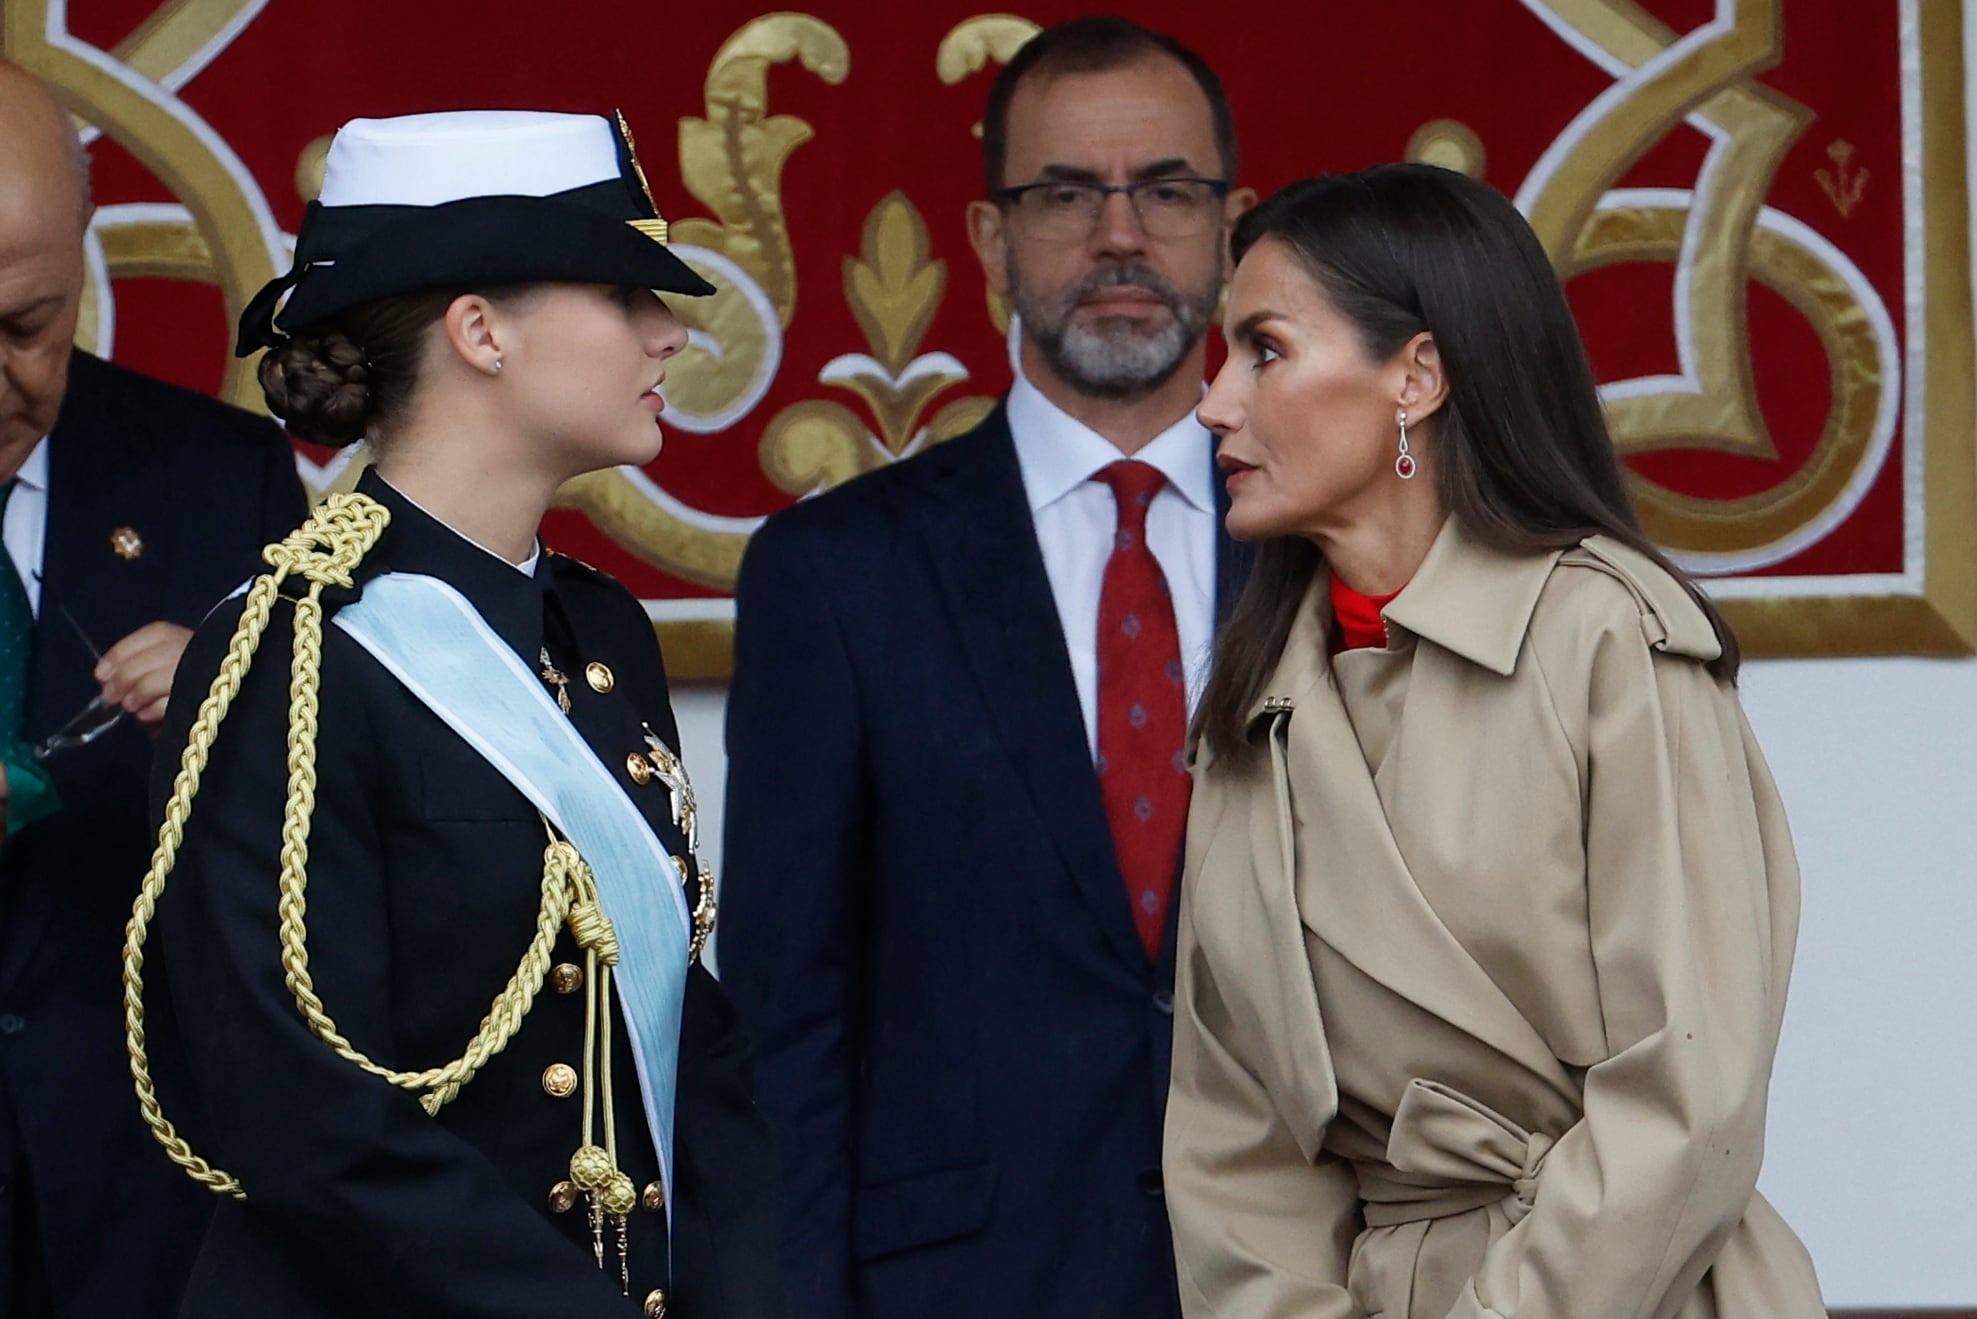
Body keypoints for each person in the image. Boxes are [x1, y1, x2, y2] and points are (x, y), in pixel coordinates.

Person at [126, 110, 783, 1319]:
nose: (670, 333)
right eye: (622, 290)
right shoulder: (291, 652)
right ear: (480, 330)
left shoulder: (603, 635)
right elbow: (302, 1115)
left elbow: (696, 1042)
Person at [1164, 163, 1826, 1319]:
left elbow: (1689, 1092)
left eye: (1263, 349)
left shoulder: (1605, 637)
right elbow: (1239, 1147)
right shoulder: (1251, 713)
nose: (1214, 402)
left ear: (1415, 374)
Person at [719, 17, 1253, 1319]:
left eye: (1166, 191)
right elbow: (787, 1019)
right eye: (1066, 192)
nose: (1119, 234)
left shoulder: (1326, 549)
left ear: (1232, 228)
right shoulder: (835, 572)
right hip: (960, 1281)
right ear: (987, 237)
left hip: (1299, 1272)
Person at [0, 61, 307, 1319]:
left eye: (26, 327)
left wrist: (235, 712)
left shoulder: (218, 479)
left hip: (149, 1220)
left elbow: (327, 858)